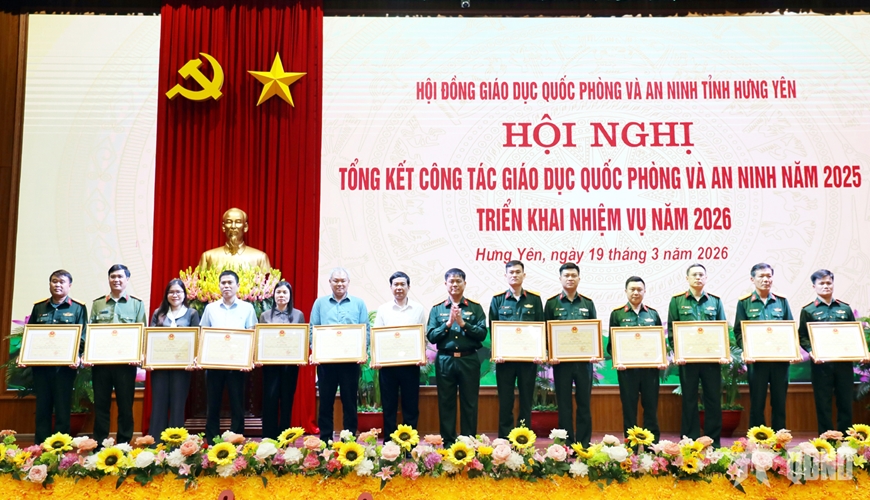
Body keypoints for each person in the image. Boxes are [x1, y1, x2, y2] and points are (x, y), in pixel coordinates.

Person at [798, 269, 869, 435]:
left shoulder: (845, 308)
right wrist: (811, 351)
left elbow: (854, 334)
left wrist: (861, 352)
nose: (826, 286)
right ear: (814, 286)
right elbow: (802, 336)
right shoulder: (808, 310)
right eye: (821, 283)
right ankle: (826, 438)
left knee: (845, 401)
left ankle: (846, 439)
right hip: (821, 365)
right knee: (823, 403)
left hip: (843, 364)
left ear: (833, 284)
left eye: (829, 283)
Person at [667, 263, 727, 448]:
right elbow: (672, 331)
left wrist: (722, 353)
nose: (698, 277)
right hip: (688, 360)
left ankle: (713, 441)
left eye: (701, 274)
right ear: (687, 278)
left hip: (711, 361)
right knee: (689, 400)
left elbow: (722, 329)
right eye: (694, 275)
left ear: (706, 278)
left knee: (713, 399)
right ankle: (689, 440)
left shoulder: (715, 301)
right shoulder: (677, 301)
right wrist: (678, 353)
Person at [25, 270, 88, 444]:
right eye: (54, 281)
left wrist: (77, 356)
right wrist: (24, 355)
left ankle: (61, 446)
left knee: (62, 406)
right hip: (41, 366)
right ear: (49, 284)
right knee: (42, 406)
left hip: (65, 367)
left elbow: (82, 336)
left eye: (62, 282)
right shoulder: (39, 307)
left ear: (69, 285)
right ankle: (40, 445)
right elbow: (30, 334)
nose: (57, 285)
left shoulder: (78, 307)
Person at [426, 268, 487, 445]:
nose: (455, 284)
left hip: (469, 359)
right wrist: (448, 324)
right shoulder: (437, 309)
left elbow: (482, 334)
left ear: (464, 284)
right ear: (446, 284)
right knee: (446, 402)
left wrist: (462, 323)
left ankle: (468, 442)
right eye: (451, 281)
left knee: (470, 403)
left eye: (458, 281)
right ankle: (448, 442)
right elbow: (432, 336)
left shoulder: (475, 308)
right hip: (445, 360)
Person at [89, 264, 147, 445]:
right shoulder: (98, 304)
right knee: (101, 405)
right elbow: (91, 332)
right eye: (113, 276)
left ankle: (123, 444)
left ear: (127, 279)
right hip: (101, 365)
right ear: (108, 279)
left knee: (125, 406)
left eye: (120, 277)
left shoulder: (136, 304)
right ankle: (99, 443)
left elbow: (142, 333)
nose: (116, 280)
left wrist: (138, 355)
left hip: (125, 365)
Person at [733, 263, 795, 431]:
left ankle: (780, 438)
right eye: (761, 276)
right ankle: (757, 439)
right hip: (757, 361)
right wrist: (746, 350)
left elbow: (789, 328)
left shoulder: (781, 301)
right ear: (752, 279)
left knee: (779, 402)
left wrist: (791, 350)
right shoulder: (744, 303)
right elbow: (739, 331)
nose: (765, 279)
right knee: (757, 402)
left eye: (768, 276)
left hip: (780, 361)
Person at [309, 267, 369, 441]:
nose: (339, 284)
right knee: (325, 402)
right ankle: (325, 441)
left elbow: (365, 330)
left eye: (343, 281)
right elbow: (313, 329)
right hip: (326, 362)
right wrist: (315, 351)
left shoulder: (358, 304)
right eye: (336, 280)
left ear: (348, 282)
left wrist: (362, 351)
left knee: (349, 402)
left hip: (350, 363)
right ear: (330, 282)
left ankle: (348, 441)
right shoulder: (320, 303)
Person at [200, 270, 257, 443]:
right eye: (223, 283)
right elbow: (203, 334)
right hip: (214, 364)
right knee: (213, 404)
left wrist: (249, 360)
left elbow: (252, 335)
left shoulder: (247, 308)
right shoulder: (210, 308)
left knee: (237, 404)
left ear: (237, 286)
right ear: (219, 286)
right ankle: (212, 441)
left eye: (230, 283)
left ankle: (236, 439)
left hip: (237, 364)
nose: (226, 286)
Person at [544, 262, 598, 445]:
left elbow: (593, 331)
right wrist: (550, 353)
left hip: (584, 363)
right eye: (566, 276)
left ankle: (583, 444)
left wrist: (594, 352)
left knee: (584, 404)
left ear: (579, 278)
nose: (570, 278)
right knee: (564, 405)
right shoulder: (551, 304)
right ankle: (566, 444)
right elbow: (546, 333)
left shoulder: (588, 303)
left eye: (573, 275)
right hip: (561, 364)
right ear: (560, 279)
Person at [607, 276, 665, 442]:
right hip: (627, 371)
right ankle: (630, 445)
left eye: (639, 289)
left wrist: (661, 358)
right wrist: (618, 360)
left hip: (650, 370)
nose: (636, 292)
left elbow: (660, 342)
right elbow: (611, 345)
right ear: (626, 291)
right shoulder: (617, 314)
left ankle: (651, 445)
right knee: (629, 408)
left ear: (644, 291)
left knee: (651, 407)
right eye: (632, 289)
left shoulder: (653, 314)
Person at [490, 260, 544, 438]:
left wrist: (539, 352)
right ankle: (504, 440)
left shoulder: (534, 300)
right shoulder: (497, 300)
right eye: (511, 272)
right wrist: (496, 352)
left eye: (518, 272)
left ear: (524, 275)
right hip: (504, 361)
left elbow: (540, 327)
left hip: (528, 360)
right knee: (505, 401)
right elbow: (493, 329)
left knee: (526, 400)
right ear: (506, 276)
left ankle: (523, 439)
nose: (514, 275)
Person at [373, 271, 426, 440]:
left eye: (403, 284)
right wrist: (377, 359)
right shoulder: (383, 309)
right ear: (391, 287)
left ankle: (409, 442)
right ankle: (389, 442)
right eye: (396, 284)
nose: (399, 287)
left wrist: (421, 355)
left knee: (411, 406)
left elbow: (422, 336)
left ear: (408, 287)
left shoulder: (418, 309)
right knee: (389, 406)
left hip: (410, 366)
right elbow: (377, 336)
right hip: (388, 366)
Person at [148, 278, 200, 442]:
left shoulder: (191, 314)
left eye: (178, 292)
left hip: (182, 368)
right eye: (171, 292)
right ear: (166, 294)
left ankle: (176, 445)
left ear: (184, 294)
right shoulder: (158, 313)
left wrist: (193, 360)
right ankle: (155, 444)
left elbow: (197, 340)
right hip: (159, 367)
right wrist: (148, 360)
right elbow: (150, 339)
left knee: (178, 406)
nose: (175, 295)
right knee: (159, 405)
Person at [258, 281, 305, 439]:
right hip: (270, 365)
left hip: (290, 366)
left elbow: (302, 339)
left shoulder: (298, 315)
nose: (281, 295)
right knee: (269, 400)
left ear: (290, 296)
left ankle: (285, 438)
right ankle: (268, 438)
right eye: (278, 292)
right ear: (274, 295)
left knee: (287, 400)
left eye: (285, 292)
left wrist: (301, 356)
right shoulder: (265, 315)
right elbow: (260, 339)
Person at [197, 207, 271, 271]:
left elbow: (267, 281)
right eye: (229, 222)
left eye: (238, 222)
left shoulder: (260, 258)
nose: (233, 226)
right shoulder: (208, 257)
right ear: (223, 227)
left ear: (245, 227)